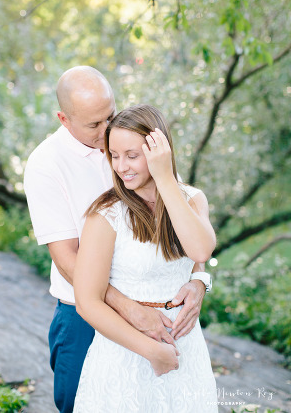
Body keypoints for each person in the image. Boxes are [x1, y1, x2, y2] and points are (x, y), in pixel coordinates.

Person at [23, 66, 211, 412]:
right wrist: (130, 310)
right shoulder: (45, 165)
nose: (107, 130)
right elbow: (66, 257)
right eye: (95, 125)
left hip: (162, 317)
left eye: (110, 115)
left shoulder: (135, 139)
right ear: (65, 119)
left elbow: (182, 223)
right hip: (83, 318)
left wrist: (199, 278)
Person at [72, 105, 217, 412]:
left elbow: (201, 252)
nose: (121, 166)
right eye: (114, 155)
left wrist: (165, 179)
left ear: (158, 151)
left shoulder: (192, 199)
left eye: (132, 155)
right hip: (126, 353)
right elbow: (88, 302)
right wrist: (150, 350)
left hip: (185, 348)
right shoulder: (106, 215)